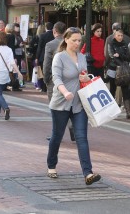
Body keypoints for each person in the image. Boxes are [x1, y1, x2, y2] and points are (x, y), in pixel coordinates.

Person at [47, 27, 101, 185]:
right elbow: (56, 78)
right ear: (66, 40)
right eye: (74, 40)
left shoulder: (82, 57)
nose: (77, 43)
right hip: (61, 103)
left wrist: (84, 77)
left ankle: (88, 173)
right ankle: (51, 166)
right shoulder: (60, 57)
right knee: (57, 136)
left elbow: (83, 76)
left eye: (79, 41)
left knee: (82, 138)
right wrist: (64, 92)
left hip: (79, 104)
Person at [43, 22, 75, 142]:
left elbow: (47, 64)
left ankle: (56, 134)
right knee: (70, 105)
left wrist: (46, 79)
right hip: (70, 79)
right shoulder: (71, 43)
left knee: (55, 107)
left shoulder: (50, 45)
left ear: (54, 31)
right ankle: (72, 127)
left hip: (55, 80)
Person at [0, 32, 23, 120]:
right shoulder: (9, 49)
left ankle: (6, 108)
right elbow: (12, 63)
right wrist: (18, 72)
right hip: (5, 74)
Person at [106, 29, 130, 119]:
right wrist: (120, 60)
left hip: (123, 70)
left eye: (121, 35)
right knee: (112, 91)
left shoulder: (125, 44)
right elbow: (111, 56)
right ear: (114, 36)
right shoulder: (111, 44)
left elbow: (128, 57)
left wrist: (120, 55)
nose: (120, 37)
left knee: (125, 90)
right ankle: (111, 112)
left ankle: (128, 112)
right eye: (118, 35)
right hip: (113, 69)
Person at [36, 22, 54, 92]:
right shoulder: (53, 35)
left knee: (44, 72)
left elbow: (39, 47)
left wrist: (37, 57)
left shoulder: (42, 36)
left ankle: (44, 87)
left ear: (46, 27)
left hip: (43, 56)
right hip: (52, 55)